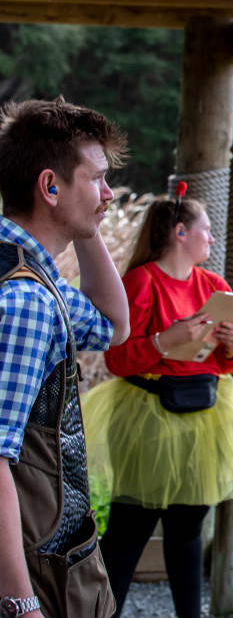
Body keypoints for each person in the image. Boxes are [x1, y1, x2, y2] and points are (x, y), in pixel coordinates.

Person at [80, 195, 233, 618]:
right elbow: (116, 359)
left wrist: (231, 345)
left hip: (208, 413)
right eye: (206, 229)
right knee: (129, 530)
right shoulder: (140, 282)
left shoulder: (216, 285)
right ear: (180, 232)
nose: (212, 238)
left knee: (188, 531)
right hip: (147, 414)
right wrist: (166, 340)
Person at [0, 97, 131, 618]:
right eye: (97, 179)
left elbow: (112, 325)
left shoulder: (28, 272)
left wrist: (88, 222)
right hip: (39, 570)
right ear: (50, 187)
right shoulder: (27, 301)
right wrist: (20, 603)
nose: (108, 194)